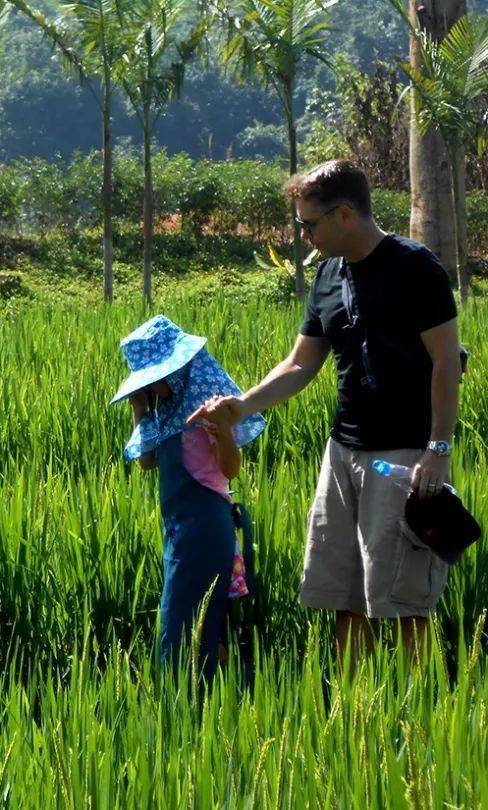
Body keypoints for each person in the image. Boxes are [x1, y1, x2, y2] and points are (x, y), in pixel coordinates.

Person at [190, 159, 462, 669]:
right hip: (342, 454)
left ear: (344, 215)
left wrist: (438, 448)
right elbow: (300, 363)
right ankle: (353, 706)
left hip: (403, 456)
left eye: (308, 224)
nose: (304, 236)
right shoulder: (328, 275)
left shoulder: (414, 267)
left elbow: (447, 361)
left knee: (404, 602)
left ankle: (422, 707)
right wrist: (241, 405)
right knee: (344, 595)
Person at [112, 316, 265, 680]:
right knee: (183, 619)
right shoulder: (165, 413)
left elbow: (230, 469)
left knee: (188, 622)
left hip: (206, 528)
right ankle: (210, 691)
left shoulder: (204, 409)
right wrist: (139, 408)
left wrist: (222, 430)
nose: (152, 387)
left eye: (155, 379)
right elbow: (146, 460)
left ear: (177, 371)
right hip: (179, 533)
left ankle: (206, 693)